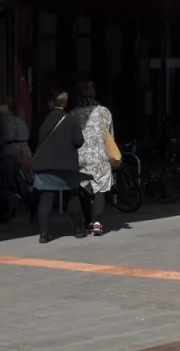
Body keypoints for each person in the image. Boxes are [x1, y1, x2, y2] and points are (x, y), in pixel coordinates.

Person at [33, 89, 87, 243]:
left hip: (44, 164)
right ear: (65, 103)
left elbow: (33, 139)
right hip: (67, 164)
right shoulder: (72, 119)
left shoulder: (41, 119)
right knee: (72, 197)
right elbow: (78, 141)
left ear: (51, 102)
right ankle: (79, 230)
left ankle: (44, 234)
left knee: (46, 197)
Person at [71, 81, 114, 236]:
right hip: (100, 156)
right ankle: (97, 223)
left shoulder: (73, 114)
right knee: (100, 188)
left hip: (80, 156)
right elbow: (110, 135)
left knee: (83, 187)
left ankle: (88, 220)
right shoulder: (104, 112)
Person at [0, 99, 31, 224]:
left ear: (6, 106)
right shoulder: (20, 120)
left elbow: (7, 137)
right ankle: (32, 205)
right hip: (25, 153)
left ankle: (10, 210)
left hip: (11, 153)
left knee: (8, 183)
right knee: (23, 181)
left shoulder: (3, 119)